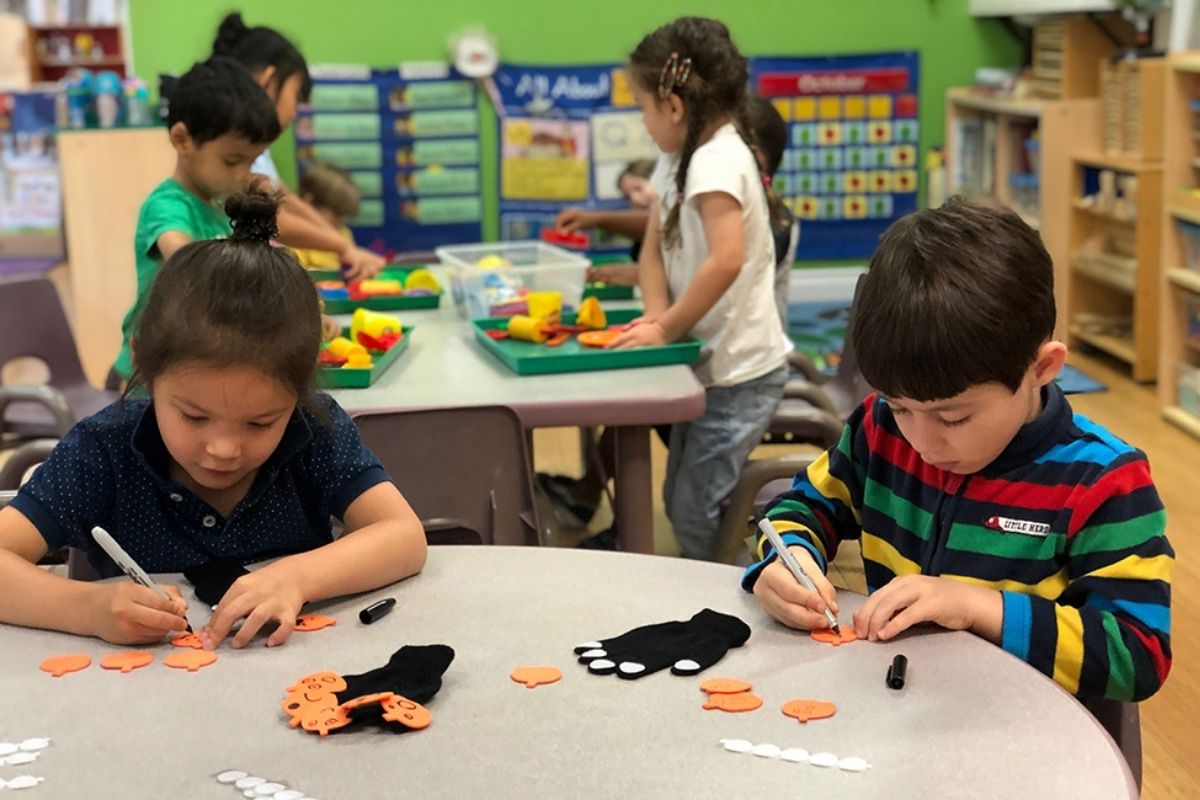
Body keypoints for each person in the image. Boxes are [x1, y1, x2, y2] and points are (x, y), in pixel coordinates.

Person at [745, 198, 1172, 702]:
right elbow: (800, 507)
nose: (922, 442)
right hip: (898, 711)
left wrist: (977, 607)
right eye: (900, 406)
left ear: (1042, 369)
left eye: (954, 417)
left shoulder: (1103, 482)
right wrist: (785, 558)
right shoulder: (879, 431)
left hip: (1026, 735)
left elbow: (1137, 656)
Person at [0, 183, 427, 651]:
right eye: (194, 417)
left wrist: (297, 577)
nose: (223, 449)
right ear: (145, 365)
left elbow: (403, 535)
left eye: (260, 423)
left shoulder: (314, 429)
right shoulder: (103, 450)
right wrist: (87, 608)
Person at [607, 17, 792, 560]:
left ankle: (744, 599)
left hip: (742, 375)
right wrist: (655, 319)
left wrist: (665, 325)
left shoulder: (716, 159)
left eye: (642, 107)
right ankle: (730, 588)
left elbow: (726, 259)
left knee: (694, 509)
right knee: (681, 498)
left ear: (674, 104)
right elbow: (652, 250)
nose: (642, 123)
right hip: (710, 366)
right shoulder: (679, 158)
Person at [112, 56, 280, 383]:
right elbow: (182, 254)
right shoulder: (168, 205)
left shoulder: (216, 204)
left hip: (196, 367)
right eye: (232, 160)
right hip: (151, 377)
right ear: (181, 139)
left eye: (252, 161)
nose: (244, 174)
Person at [211, 12, 384, 279]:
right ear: (268, 81)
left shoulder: (255, 149)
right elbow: (269, 216)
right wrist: (341, 245)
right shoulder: (232, 147)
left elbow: (284, 198)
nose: (295, 113)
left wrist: (343, 245)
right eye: (296, 95)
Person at [290, 162, 360, 270]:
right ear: (309, 203)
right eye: (337, 214)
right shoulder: (294, 238)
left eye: (343, 215)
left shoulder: (344, 233)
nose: (340, 222)